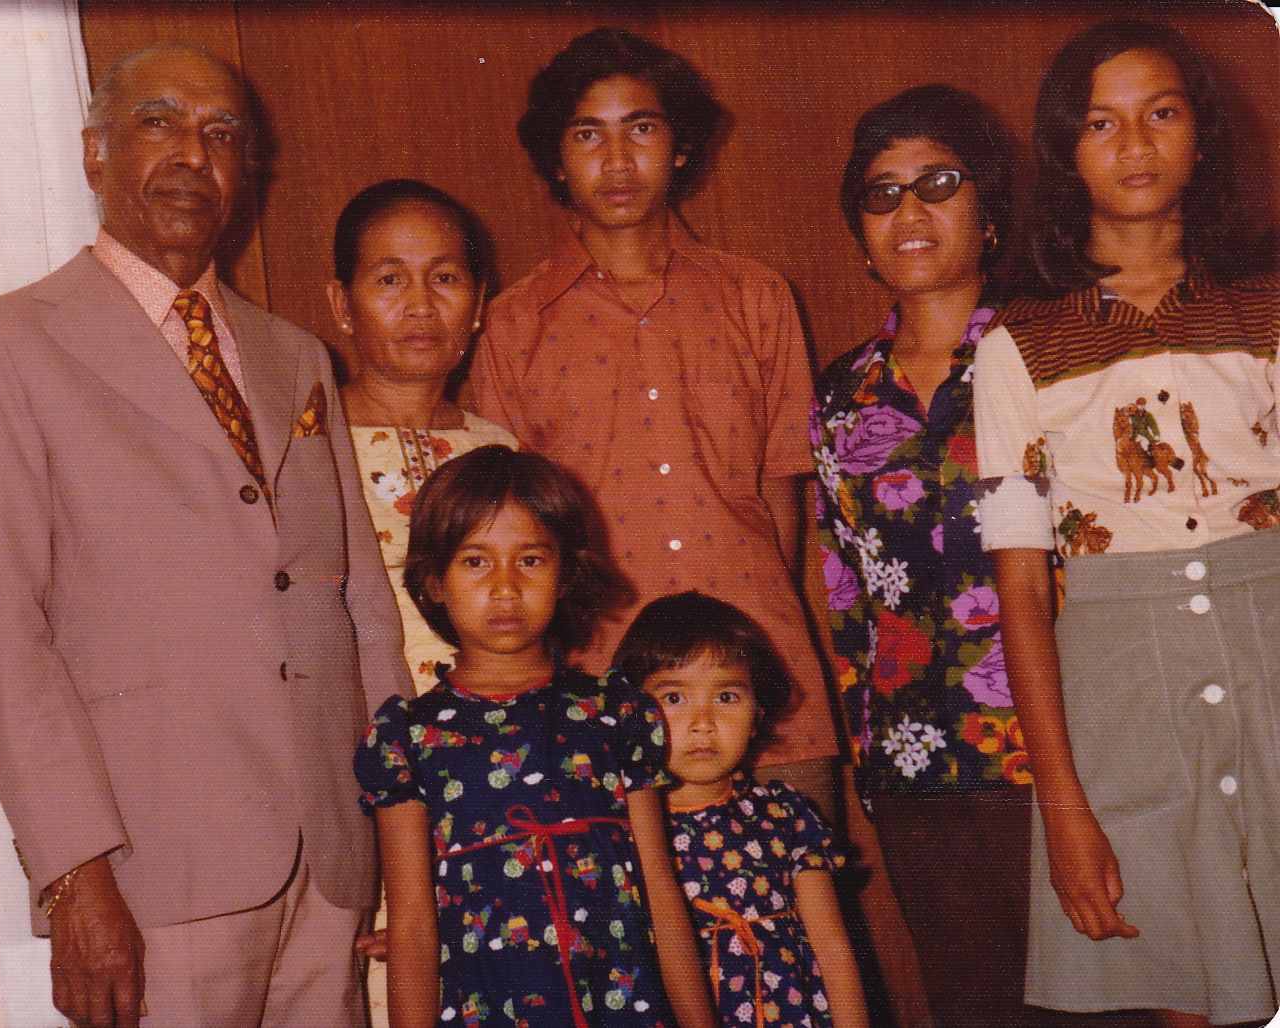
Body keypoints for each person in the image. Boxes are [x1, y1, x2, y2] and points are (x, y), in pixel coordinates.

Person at [0, 43, 411, 1028]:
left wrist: (396, 831)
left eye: (222, 133)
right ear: (95, 151)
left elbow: (359, 608)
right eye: (160, 121)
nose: (194, 152)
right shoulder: (3, 344)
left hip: (333, 869)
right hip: (152, 878)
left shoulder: (299, 356)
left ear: (246, 170)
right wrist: (74, 872)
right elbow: (3, 635)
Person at [973, 20, 1279, 1027]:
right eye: (1100, 123)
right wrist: (1063, 806)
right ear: (1063, 151)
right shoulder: (1018, 346)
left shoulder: (1267, 309)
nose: (1135, 144)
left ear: (1202, 135)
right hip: (1123, 698)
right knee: (1191, 982)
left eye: (1161, 113)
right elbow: (1020, 586)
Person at [464, 28, 837, 800]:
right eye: (588, 134)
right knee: (628, 917)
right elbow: (512, 527)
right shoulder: (512, 323)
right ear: (557, 160)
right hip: (600, 680)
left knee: (794, 907)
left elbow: (781, 495)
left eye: (641, 127)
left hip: (760, 667)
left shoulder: (756, 297)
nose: (618, 158)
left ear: (680, 147)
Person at [812, 85, 1076, 1028]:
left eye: (939, 183)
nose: (909, 212)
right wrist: (865, 754)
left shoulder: (1054, 358)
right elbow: (846, 593)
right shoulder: (840, 397)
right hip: (916, 763)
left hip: (1059, 751)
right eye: (881, 195)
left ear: (992, 211)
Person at [354, 445, 716, 1028]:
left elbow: (661, 892)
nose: (505, 587)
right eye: (476, 561)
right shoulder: (407, 739)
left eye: (530, 560)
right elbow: (416, 928)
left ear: (565, 575)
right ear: (434, 583)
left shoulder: (614, 714)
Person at [614, 591, 869, 1028]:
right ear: (631, 713)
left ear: (756, 715)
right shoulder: (625, 830)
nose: (703, 721)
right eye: (674, 698)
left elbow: (832, 947)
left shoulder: (785, 815)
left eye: (727, 697)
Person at [329, 179, 518, 696]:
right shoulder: (305, 446)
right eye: (390, 280)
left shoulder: (501, 452)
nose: (420, 305)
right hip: (358, 730)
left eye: (444, 278)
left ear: (478, 302)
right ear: (342, 305)